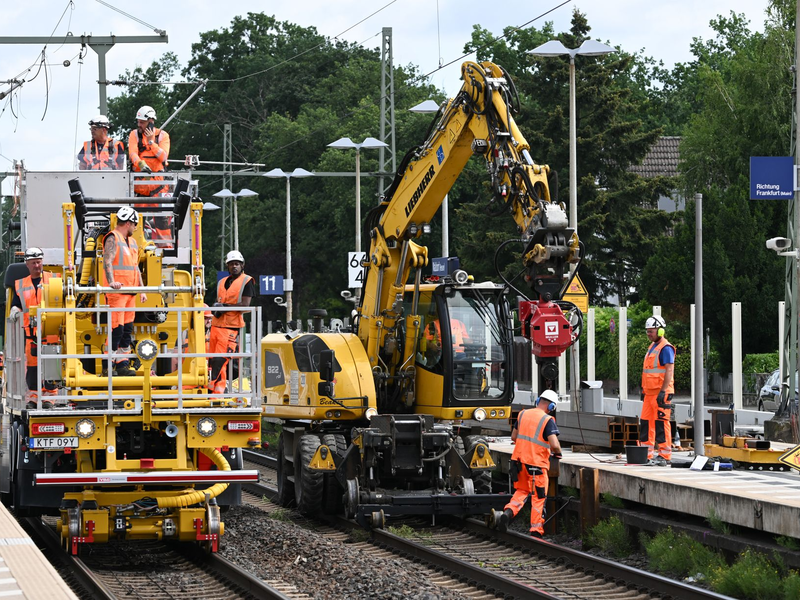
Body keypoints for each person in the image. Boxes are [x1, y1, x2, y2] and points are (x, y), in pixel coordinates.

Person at [498, 389, 562, 538]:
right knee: (538, 498)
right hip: (537, 465)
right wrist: (557, 453)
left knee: (521, 492)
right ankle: (536, 531)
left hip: (518, 463)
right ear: (552, 407)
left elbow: (514, 436)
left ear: (538, 401)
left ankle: (508, 513)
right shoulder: (547, 420)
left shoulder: (522, 414)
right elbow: (555, 444)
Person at [103, 207, 147, 376]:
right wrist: (111, 281)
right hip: (118, 292)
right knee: (116, 329)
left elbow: (136, 268)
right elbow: (107, 259)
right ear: (128, 223)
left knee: (127, 330)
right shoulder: (113, 238)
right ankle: (108, 365)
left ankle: (122, 364)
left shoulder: (133, 242)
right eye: (134, 224)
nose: (135, 228)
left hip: (131, 292)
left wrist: (142, 290)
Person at [10, 247, 57, 406]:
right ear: (27, 265)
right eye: (33, 263)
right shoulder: (20, 284)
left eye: (39, 262)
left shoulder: (54, 279)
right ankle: (33, 399)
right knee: (32, 369)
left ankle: (49, 399)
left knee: (51, 368)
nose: (37, 266)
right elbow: (17, 304)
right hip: (31, 335)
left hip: (51, 333)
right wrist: (15, 310)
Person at [208, 251, 255, 395]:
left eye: (237, 264)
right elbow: (220, 300)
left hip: (231, 328)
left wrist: (225, 307)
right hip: (216, 326)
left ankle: (214, 389)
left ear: (242, 265)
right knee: (211, 360)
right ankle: (213, 390)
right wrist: (217, 307)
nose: (234, 266)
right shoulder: (222, 282)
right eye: (231, 264)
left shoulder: (247, 281)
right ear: (227, 266)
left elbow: (246, 305)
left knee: (220, 360)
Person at [638, 315, 675, 466]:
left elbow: (669, 370)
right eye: (647, 331)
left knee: (661, 423)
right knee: (646, 423)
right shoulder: (651, 348)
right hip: (649, 393)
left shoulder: (665, 348)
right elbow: (648, 372)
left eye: (651, 331)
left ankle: (664, 455)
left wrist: (663, 390)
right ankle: (646, 453)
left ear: (660, 331)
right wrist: (644, 390)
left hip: (661, 392)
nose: (648, 334)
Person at [128, 105, 170, 197]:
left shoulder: (163, 135)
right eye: (138, 122)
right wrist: (140, 164)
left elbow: (163, 157)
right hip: (139, 189)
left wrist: (151, 142)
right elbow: (132, 154)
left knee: (161, 211)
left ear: (151, 122)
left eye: (142, 122)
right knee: (137, 212)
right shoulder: (134, 134)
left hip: (159, 189)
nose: (139, 125)